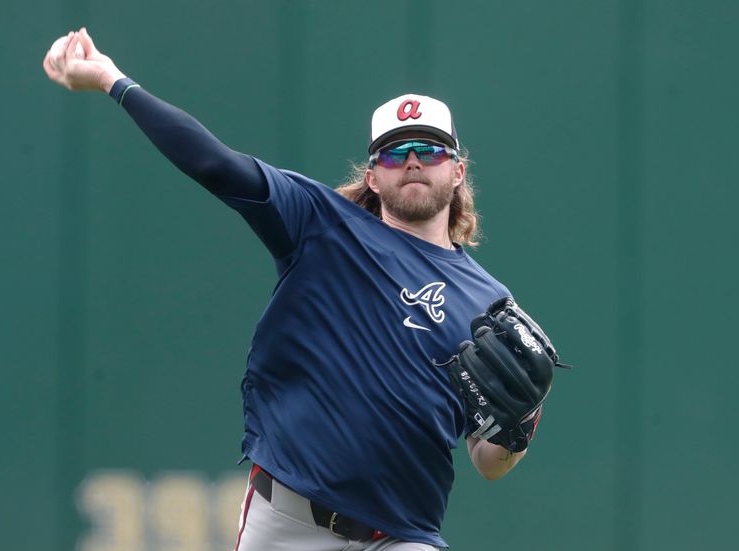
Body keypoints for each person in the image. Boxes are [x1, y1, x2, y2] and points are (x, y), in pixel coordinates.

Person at [44, 28, 529, 551]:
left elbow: (490, 463)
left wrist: (518, 429)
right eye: (394, 154)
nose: (412, 161)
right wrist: (113, 81)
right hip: (289, 524)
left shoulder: (489, 303)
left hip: (403, 536)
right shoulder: (321, 225)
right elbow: (215, 163)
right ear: (372, 176)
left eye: (429, 151)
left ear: (457, 172)